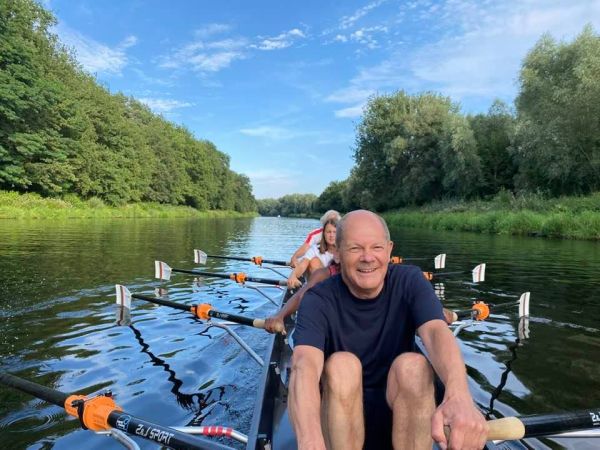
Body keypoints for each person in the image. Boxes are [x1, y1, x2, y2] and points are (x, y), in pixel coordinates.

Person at [289, 210, 488, 450]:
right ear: (338, 253)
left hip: (401, 406)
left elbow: (436, 333)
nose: (367, 257)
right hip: (337, 414)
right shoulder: (317, 299)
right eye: (355, 249)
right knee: (342, 365)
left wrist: (458, 396)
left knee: (414, 366)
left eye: (376, 247)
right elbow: (304, 366)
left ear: (389, 249)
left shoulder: (411, 281)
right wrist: (310, 440)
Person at [287, 219, 337, 289]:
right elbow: (303, 264)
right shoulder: (315, 249)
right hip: (319, 287)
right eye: (328, 232)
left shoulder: (344, 250)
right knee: (314, 261)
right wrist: (293, 275)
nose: (331, 235)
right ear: (324, 234)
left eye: (334, 232)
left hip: (335, 286)